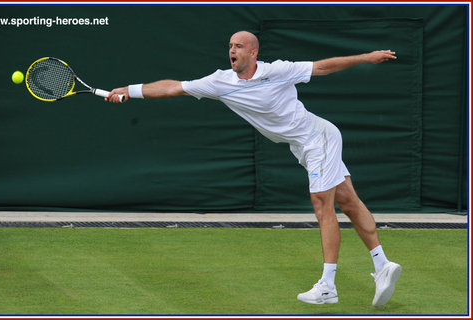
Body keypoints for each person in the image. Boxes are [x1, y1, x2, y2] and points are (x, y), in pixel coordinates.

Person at [106, 31, 402, 307]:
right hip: (304, 145)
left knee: (322, 205)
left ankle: (327, 285)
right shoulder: (220, 82)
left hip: (318, 139)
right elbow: (174, 87)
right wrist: (130, 91)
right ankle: (382, 265)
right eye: (230, 46)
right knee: (348, 201)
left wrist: (366, 57)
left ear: (253, 52)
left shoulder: (278, 71)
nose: (232, 50)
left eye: (238, 46)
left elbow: (323, 67)